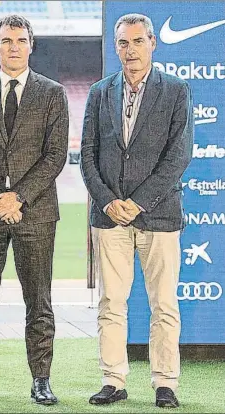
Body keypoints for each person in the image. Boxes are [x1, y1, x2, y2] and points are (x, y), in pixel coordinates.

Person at [80, 13, 193, 409]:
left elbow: (178, 155)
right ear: (116, 47)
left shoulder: (176, 90)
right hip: (108, 216)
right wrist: (109, 200)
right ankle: (113, 380)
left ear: (152, 43)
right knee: (112, 302)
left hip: (159, 215)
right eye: (124, 43)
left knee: (164, 303)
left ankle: (165, 383)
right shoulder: (99, 92)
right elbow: (88, 156)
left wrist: (139, 201)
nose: (131, 50)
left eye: (138, 42)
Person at [0, 14, 68, 406]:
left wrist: (17, 197)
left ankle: (41, 380)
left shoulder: (53, 93)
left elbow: (55, 156)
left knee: (39, 300)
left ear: (31, 45)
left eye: (20, 40)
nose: (14, 47)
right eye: (6, 40)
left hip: (35, 214)